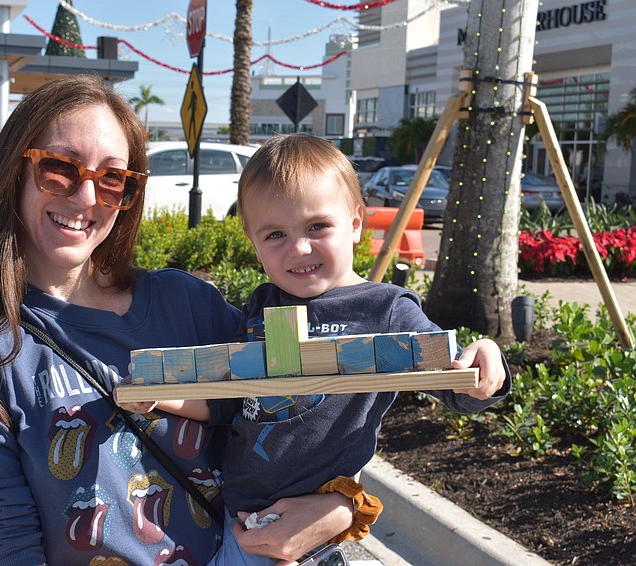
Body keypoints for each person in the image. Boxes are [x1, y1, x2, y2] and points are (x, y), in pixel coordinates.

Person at [0, 77, 359, 566]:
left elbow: (307, 410)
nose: (85, 197)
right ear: (13, 171)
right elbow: (7, 546)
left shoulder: (188, 304)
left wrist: (344, 506)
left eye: (112, 179)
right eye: (59, 169)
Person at [118, 133, 511, 565]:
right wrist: (161, 398)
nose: (299, 248)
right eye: (275, 235)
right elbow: (229, 399)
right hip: (238, 513)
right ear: (253, 241)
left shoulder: (384, 309)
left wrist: (487, 360)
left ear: (356, 223)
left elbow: (453, 380)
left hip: (310, 526)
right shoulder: (266, 305)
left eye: (317, 226)